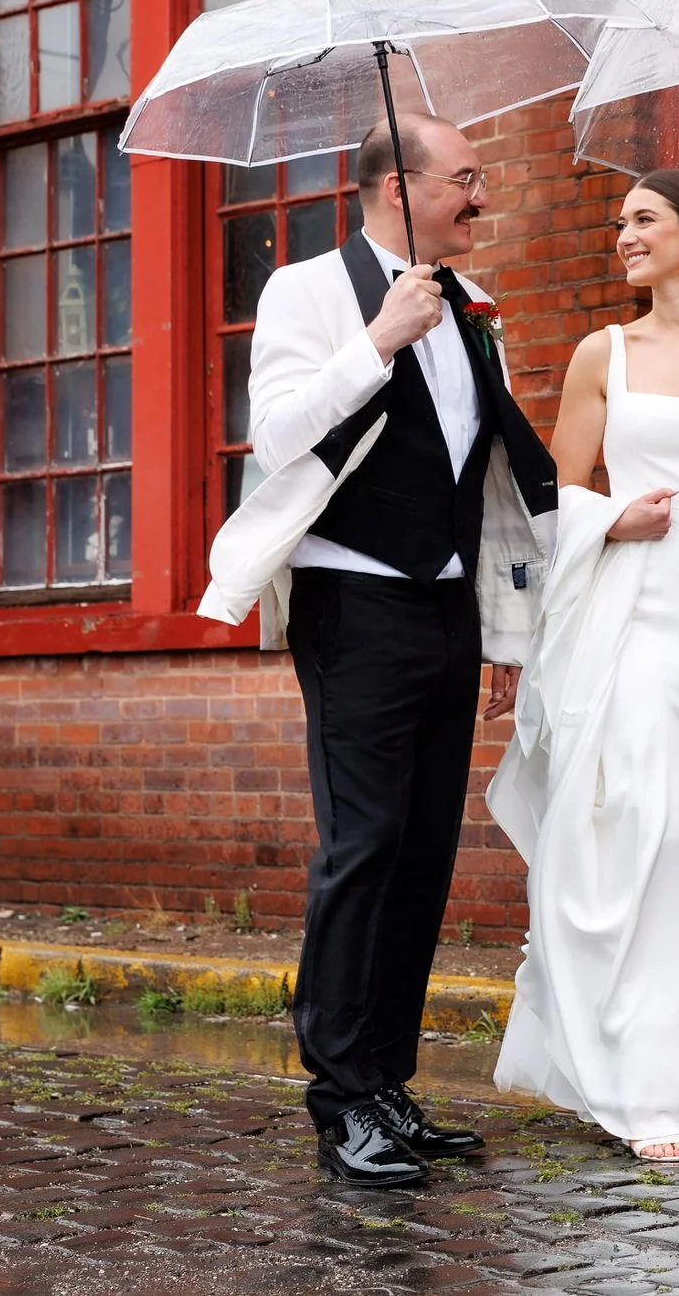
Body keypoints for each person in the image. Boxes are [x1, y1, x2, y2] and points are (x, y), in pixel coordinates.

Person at [203, 112, 557, 1188]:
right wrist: (378, 339)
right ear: (395, 186)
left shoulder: (470, 307)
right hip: (353, 604)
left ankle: (387, 1085)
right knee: (362, 846)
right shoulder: (306, 289)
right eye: (464, 179)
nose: (480, 197)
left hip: (449, 608)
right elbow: (277, 436)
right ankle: (338, 1095)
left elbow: (487, 476)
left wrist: (500, 628)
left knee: (422, 857)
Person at [486, 168, 679, 1163]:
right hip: (634, 611)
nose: (621, 235)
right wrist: (612, 520)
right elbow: (553, 494)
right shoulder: (602, 353)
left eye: (641, 219)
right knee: (649, 829)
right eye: (620, 221)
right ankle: (645, 1089)